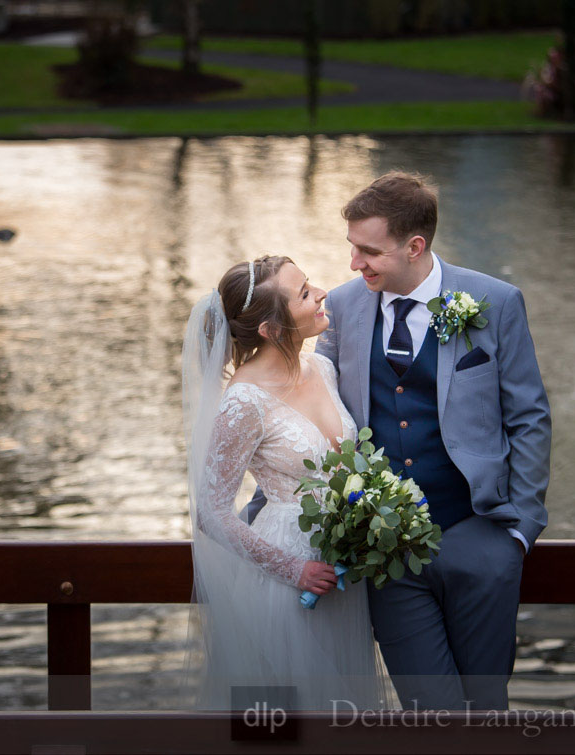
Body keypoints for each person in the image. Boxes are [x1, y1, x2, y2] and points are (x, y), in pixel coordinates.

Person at [244, 172, 551, 711]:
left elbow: (529, 418)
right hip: (386, 556)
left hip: (480, 535)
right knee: (428, 710)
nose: (355, 264)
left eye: (369, 251)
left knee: (486, 708)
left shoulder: (494, 302)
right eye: (352, 249)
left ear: (415, 246)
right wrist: (264, 509)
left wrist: (519, 532)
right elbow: (305, 409)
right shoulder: (338, 309)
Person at [181, 255, 386, 712]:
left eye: (310, 284)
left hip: (339, 576)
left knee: (339, 713)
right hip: (286, 579)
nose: (321, 294)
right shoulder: (243, 402)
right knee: (286, 718)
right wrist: (294, 571)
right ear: (271, 330)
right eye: (304, 293)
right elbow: (211, 513)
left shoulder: (323, 370)